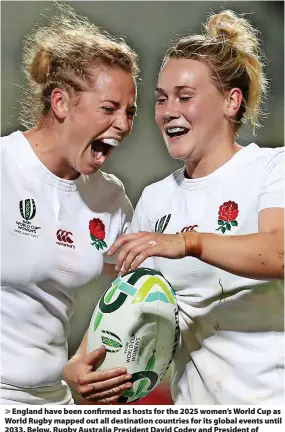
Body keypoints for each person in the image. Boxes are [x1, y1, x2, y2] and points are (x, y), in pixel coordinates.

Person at [108, 10, 284, 404]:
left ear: (231, 102)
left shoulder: (273, 167)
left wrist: (187, 243)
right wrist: (81, 366)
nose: (169, 110)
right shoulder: (155, 198)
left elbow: (279, 252)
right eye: (161, 99)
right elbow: (129, 300)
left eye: (185, 97)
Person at [1, 3, 138, 405]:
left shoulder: (110, 199)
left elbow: (136, 296)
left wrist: (83, 358)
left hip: (52, 401)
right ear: (60, 103)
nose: (125, 125)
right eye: (109, 109)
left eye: (130, 112)